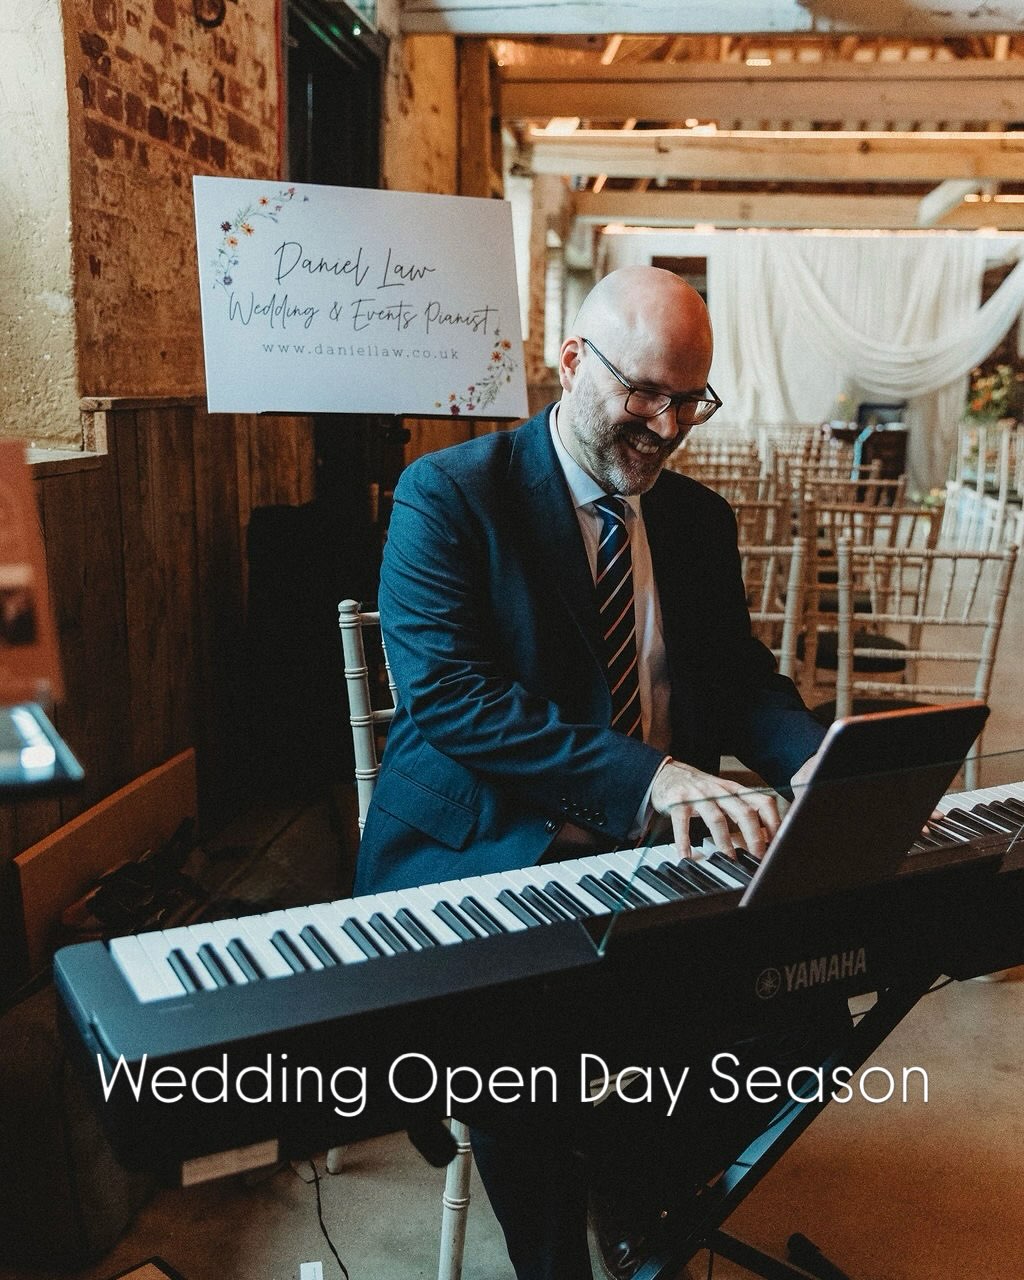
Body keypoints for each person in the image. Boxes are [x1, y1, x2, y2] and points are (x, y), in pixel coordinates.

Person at [354, 266, 828, 1279]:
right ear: (571, 361)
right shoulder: (450, 494)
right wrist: (655, 778)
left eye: (688, 399)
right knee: (526, 1049)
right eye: (643, 392)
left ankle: (634, 1177)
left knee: (810, 1011)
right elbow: (454, 698)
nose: (665, 426)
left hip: (649, 855)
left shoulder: (696, 521)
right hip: (491, 850)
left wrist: (818, 757)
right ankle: (560, 1245)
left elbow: (738, 677)